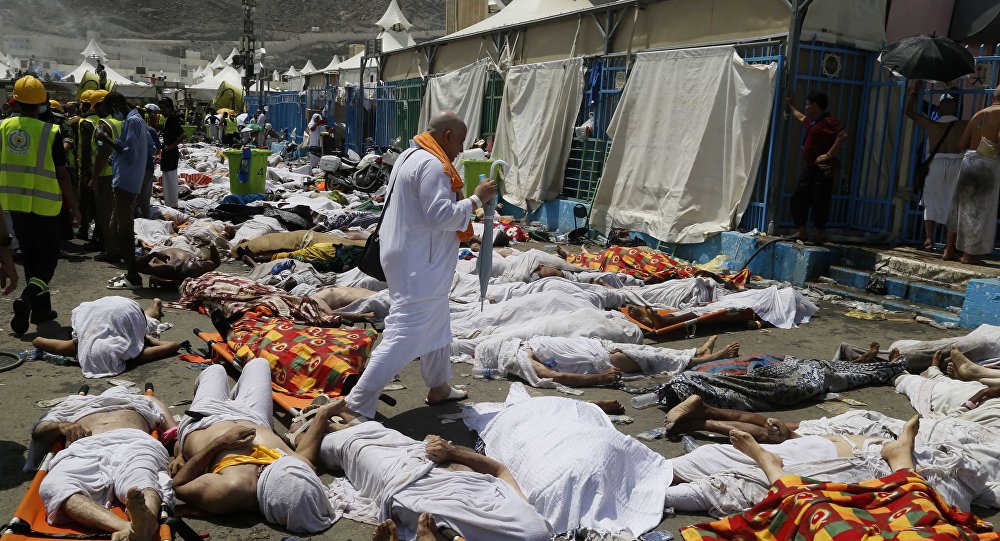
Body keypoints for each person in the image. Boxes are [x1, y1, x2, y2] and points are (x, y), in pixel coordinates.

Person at [341, 111, 498, 422]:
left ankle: (438, 386)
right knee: (406, 329)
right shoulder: (434, 165)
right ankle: (357, 402)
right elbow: (441, 215)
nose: (460, 149)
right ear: (448, 136)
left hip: (408, 255)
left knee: (437, 322)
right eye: (460, 141)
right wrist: (476, 200)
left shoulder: (410, 155)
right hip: (418, 264)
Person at [288, 402, 554, 541]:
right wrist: (454, 452)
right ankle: (342, 421)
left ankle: (315, 426)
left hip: (403, 482)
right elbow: (500, 471)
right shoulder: (535, 531)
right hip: (432, 461)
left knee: (353, 446)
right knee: (386, 435)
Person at [171, 358, 337, 533]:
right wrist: (323, 414)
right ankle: (234, 396)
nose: (264, 465)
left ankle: (223, 395)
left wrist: (220, 443)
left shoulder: (233, 488)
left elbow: (179, 485)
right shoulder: (297, 472)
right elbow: (306, 455)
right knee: (259, 364)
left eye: (265, 470)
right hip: (254, 417)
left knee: (216, 370)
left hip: (205, 418)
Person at [27, 386, 175, 541]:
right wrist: (60, 426)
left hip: (132, 440)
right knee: (54, 485)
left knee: (141, 476)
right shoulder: (72, 405)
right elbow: (39, 431)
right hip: (86, 447)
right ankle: (130, 527)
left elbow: (173, 431)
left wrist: (179, 452)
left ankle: (147, 518)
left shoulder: (142, 400)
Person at [1, 76, 81, 335]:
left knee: (32, 258)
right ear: (43, 103)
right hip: (46, 206)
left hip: (15, 205)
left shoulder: (2, 127)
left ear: (15, 101)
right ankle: (26, 299)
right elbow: (62, 174)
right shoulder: (51, 131)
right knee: (47, 260)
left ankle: (41, 310)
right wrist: (75, 208)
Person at [32, 296, 181, 378]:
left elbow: (173, 346)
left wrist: (152, 341)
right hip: (102, 309)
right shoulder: (75, 347)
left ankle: (155, 305)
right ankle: (155, 304)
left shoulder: (133, 355)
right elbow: (37, 341)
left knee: (149, 323)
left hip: (123, 309)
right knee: (149, 323)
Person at [97, 92, 151, 290]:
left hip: (127, 182)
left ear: (117, 104)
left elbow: (130, 153)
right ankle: (131, 268)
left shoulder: (134, 122)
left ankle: (133, 275)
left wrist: (107, 140)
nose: (113, 114)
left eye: (112, 109)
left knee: (123, 229)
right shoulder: (133, 120)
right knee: (116, 227)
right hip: (124, 178)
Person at [905, 82, 968, 251]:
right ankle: (949, 247)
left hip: (935, 165)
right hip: (956, 164)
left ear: (939, 109)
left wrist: (915, 92)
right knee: (953, 203)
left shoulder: (932, 124)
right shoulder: (963, 124)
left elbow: (909, 112)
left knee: (931, 201)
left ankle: (929, 239)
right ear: (955, 108)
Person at [943, 87, 1000, 265]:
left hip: (968, 159)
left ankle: (948, 249)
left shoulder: (978, 114)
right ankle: (969, 255)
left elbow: (961, 143)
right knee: (977, 208)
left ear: (994, 96)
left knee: (959, 206)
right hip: (986, 163)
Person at [786, 91, 848, 244]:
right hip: (810, 169)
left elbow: (843, 135)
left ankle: (818, 236)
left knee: (820, 201)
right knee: (799, 198)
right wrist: (789, 105)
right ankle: (802, 233)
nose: (806, 107)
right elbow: (800, 117)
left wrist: (829, 154)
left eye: (808, 104)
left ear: (815, 105)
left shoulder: (828, 121)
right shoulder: (813, 121)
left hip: (821, 170)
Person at [89, 90, 122, 262]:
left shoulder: (104, 124)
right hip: (120, 174)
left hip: (105, 175)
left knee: (105, 213)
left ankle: (112, 250)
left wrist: (94, 176)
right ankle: (120, 247)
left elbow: (103, 152)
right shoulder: (121, 122)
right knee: (118, 214)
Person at [137, 244, 221, 283]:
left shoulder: (167, 269)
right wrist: (211, 244)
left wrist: (154, 254)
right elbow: (216, 262)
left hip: (161, 248)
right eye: (193, 260)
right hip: (184, 247)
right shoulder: (197, 266)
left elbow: (137, 266)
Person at [158, 97, 184, 208]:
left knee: (170, 178)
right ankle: (170, 203)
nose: (162, 110)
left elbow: (183, 135)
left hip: (171, 153)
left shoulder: (172, 119)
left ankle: (172, 204)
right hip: (168, 153)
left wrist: (170, 147)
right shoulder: (167, 119)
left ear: (170, 108)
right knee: (167, 178)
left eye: (164, 108)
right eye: (161, 108)